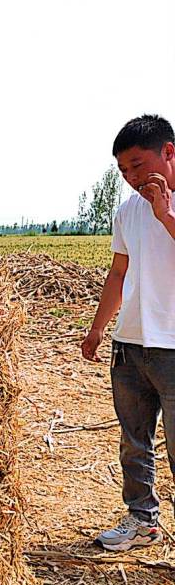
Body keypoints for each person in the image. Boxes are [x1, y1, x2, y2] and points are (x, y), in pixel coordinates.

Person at [81, 114, 175, 551]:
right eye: (123, 171)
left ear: (168, 153)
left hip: (173, 346)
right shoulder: (126, 211)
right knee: (134, 440)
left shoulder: (161, 208)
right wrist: (99, 329)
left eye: (137, 165)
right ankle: (142, 520)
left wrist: (166, 214)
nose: (132, 178)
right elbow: (119, 274)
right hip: (131, 343)